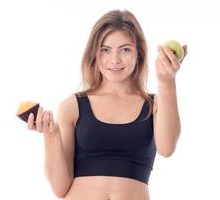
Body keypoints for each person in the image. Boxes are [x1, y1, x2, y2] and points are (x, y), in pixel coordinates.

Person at [26, 9, 187, 200]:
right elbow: (60, 189)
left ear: (139, 54)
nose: (115, 60)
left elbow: (167, 148)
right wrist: (51, 135)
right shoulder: (73, 106)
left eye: (125, 49)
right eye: (105, 49)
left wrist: (166, 81)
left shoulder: (155, 105)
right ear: (94, 54)